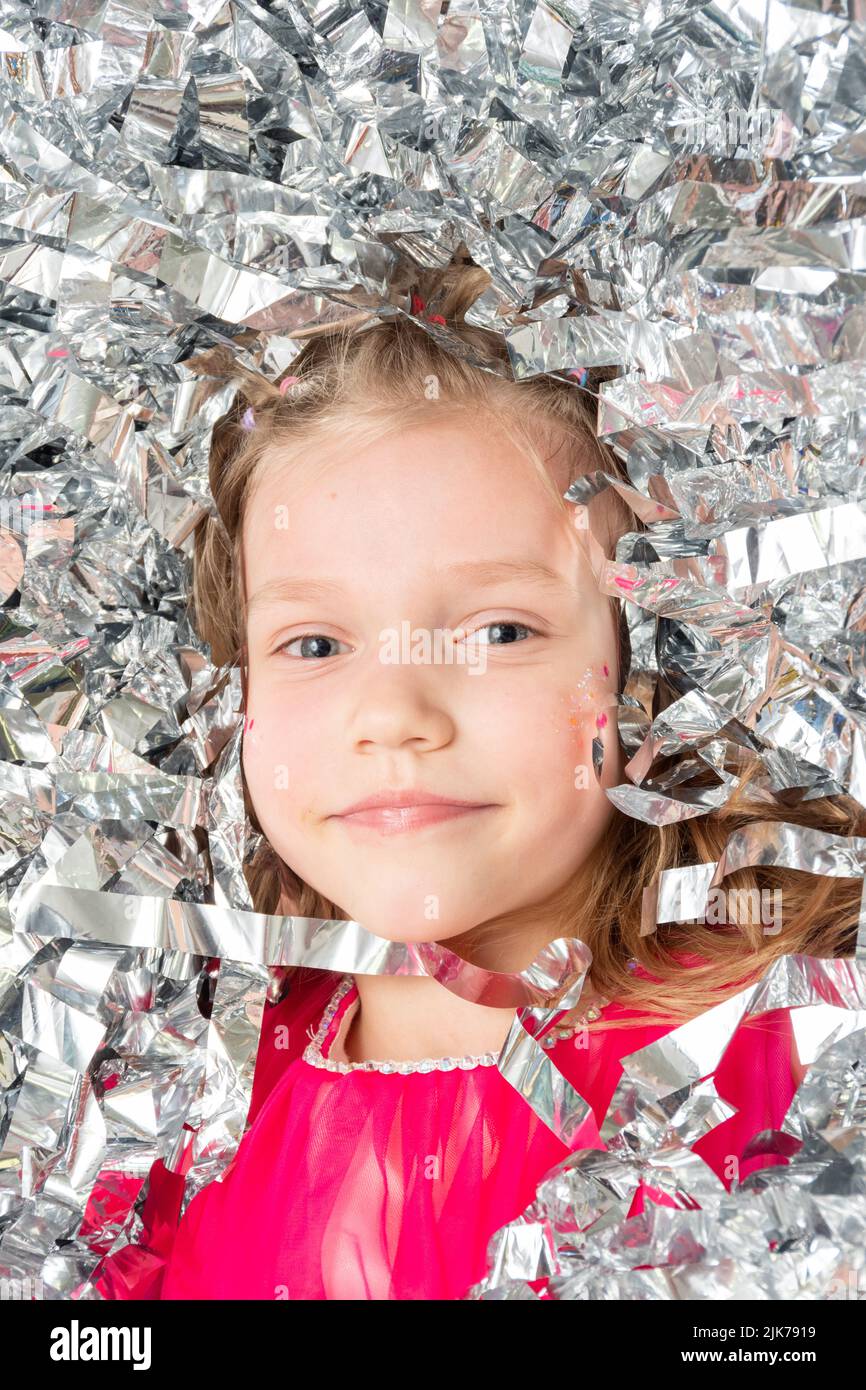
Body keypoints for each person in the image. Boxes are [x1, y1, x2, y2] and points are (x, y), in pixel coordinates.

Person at [82, 254, 859, 1301]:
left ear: (656, 668)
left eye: (499, 630)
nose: (395, 717)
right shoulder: (178, 1093)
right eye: (313, 644)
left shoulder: (778, 1064)